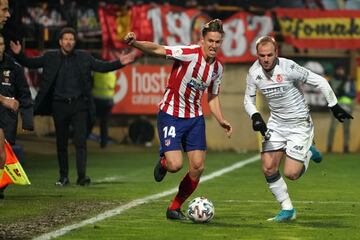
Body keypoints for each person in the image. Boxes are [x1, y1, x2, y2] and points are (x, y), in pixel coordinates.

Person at [124, 19, 233, 220]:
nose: (213, 45)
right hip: (171, 115)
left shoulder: (217, 68)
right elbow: (158, 49)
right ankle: (164, 162)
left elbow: (213, 96)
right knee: (175, 165)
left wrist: (221, 119)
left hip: (194, 119)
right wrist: (135, 43)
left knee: (198, 167)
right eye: (210, 41)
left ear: (221, 42)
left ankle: (174, 207)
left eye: (217, 42)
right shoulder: (189, 53)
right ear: (202, 40)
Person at [244, 36, 353, 222]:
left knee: (292, 174)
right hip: (277, 124)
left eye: (270, 54)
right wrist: (255, 116)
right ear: (257, 55)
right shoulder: (254, 72)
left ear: (276, 52)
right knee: (268, 167)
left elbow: (320, 81)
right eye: (262, 55)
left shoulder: (289, 67)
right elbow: (248, 99)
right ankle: (287, 210)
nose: (266, 59)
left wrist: (333, 105)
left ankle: (309, 152)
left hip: (299, 124)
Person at [10, 27, 134, 187]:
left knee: (80, 142)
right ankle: (63, 177)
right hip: (59, 106)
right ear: (60, 41)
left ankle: (82, 177)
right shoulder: (50, 56)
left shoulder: (84, 57)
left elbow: (101, 67)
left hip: (79, 106)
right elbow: (30, 63)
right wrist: (19, 54)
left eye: (71, 39)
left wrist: (120, 63)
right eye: (65, 39)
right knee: (61, 143)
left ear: (75, 42)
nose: (68, 42)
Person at [0, 32, 33, 198]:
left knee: (3, 156)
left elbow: (25, 95)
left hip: (7, 120)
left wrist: (27, 121)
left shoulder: (13, 67)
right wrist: (4, 99)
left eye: (0, 44)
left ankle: (1, 188)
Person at [326, 64, 356, 153]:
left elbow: (353, 94)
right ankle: (329, 147)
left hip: (347, 107)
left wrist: (345, 94)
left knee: (346, 129)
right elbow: (328, 93)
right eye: (339, 70)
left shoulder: (349, 81)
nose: (340, 71)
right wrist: (335, 95)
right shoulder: (332, 81)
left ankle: (346, 147)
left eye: (342, 69)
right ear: (336, 71)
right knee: (332, 129)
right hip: (336, 107)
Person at [91, 70, 116, 148]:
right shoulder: (112, 74)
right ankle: (104, 143)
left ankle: (81, 139)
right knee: (104, 123)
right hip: (109, 101)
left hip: (97, 100)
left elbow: (90, 85)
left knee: (90, 120)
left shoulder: (96, 73)